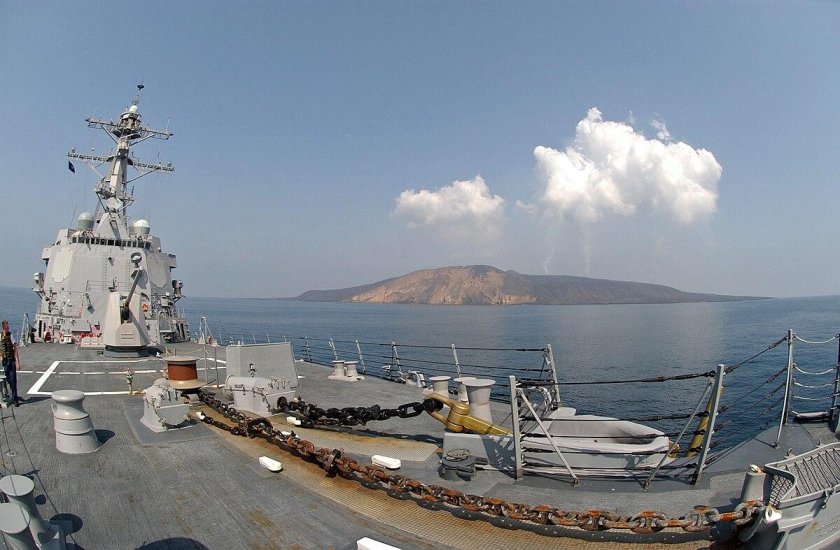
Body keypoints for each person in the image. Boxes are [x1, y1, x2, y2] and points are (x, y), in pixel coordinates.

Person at [1, 320, 22, 406]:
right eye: (7, 328)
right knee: (8, 379)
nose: (8, 329)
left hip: (11, 360)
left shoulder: (11, 336)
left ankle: (15, 398)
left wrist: (17, 362)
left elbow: (15, 348)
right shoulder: (0, 336)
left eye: (8, 327)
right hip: (4, 361)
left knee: (13, 380)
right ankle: (9, 390)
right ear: (3, 328)